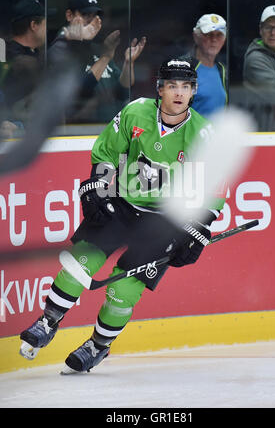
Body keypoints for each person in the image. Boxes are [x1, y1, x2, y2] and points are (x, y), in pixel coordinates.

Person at [19, 58, 226, 374]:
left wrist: (196, 230)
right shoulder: (136, 112)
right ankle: (48, 320)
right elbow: (106, 151)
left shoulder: (202, 133)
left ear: (194, 91)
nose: (179, 93)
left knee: (124, 290)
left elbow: (213, 186)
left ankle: (97, 346)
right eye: (172, 85)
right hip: (124, 205)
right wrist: (97, 189)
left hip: (164, 221)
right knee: (81, 262)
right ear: (160, 88)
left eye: (186, 86)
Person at [48, 0, 146, 123]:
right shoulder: (61, 48)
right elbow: (80, 90)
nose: (91, 20)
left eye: (94, 15)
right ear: (69, 15)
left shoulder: (98, 49)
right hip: (79, 132)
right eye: (85, 14)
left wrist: (129, 63)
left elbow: (123, 91)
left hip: (111, 130)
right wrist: (105, 57)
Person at [2, 0, 50, 129]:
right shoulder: (9, 56)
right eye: (45, 24)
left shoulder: (34, 54)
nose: (47, 30)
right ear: (34, 25)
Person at [184, 13, 227, 116]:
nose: (214, 39)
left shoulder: (222, 69)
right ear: (196, 36)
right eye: (208, 34)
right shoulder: (183, 67)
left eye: (219, 35)